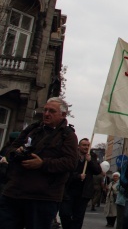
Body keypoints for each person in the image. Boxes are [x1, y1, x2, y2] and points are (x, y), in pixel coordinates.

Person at [0, 97, 78, 229]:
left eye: (52, 111)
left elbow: (70, 163)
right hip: (14, 191)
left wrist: (42, 164)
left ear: (63, 115)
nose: (46, 114)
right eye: (45, 110)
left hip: (43, 197)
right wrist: (16, 152)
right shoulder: (33, 129)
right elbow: (9, 149)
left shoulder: (68, 135)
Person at [59, 137, 102, 229]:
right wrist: (77, 176)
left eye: (88, 145)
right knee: (65, 214)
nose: (86, 147)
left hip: (83, 192)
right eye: (84, 145)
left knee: (78, 217)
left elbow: (98, 171)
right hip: (69, 190)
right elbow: (67, 171)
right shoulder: (72, 155)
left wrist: (90, 161)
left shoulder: (92, 156)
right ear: (78, 146)